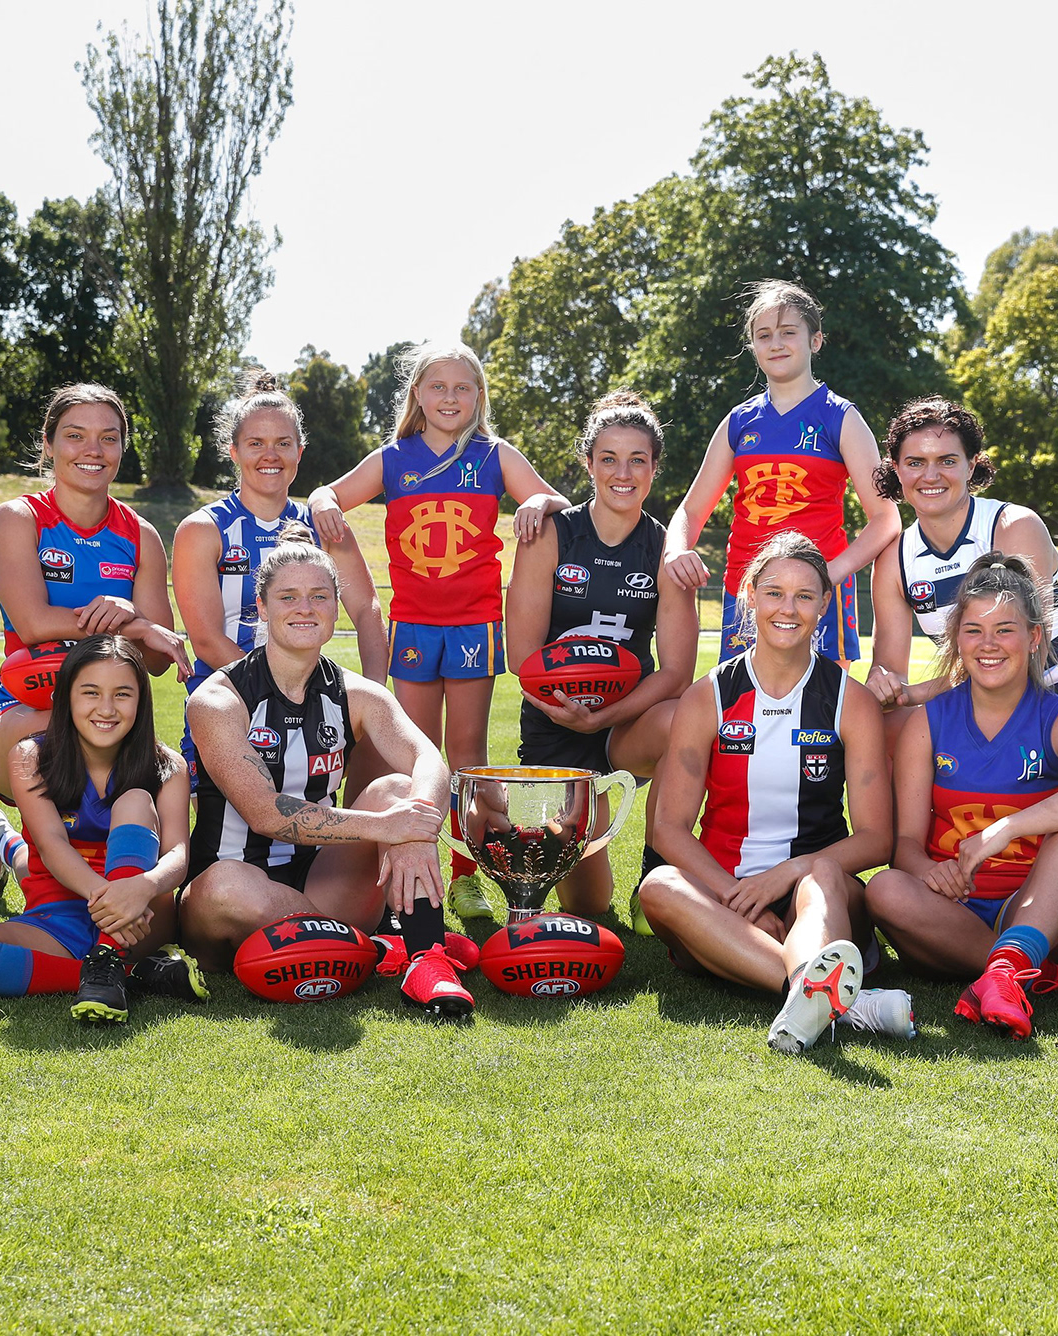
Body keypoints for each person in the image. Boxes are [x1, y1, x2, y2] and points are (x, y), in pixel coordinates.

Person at [306, 341, 569, 920]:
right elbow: (329, 493)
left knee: (468, 755)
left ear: (479, 395)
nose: (450, 398)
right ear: (418, 394)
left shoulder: (495, 454)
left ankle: (469, 877)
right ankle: (410, 874)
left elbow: (557, 501)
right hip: (414, 628)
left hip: (475, 624)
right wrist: (323, 499)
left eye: (462, 387)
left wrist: (539, 503)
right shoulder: (393, 458)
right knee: (417, 760)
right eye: (438, 387)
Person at [182, 525, 478, 1017]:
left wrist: (415, 818)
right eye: (288, 597)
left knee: (401, 790)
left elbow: (430, 760)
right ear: (262, 607)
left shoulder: (357, 694)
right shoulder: (218, 699)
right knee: (224, 885)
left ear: (336, 606)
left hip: (324, 881)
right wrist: (385, 826)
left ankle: (426, 961)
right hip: (233, 900)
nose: (305, 608)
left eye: (319, 596)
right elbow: (266, 814)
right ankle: (380, 947)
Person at [865, 396, 1058, 930]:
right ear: (896, 469)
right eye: (915, 462)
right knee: (884, 728)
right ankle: (903, 857)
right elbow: (890, 677)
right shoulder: (894, 557)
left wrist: (916, 693)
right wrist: (883, 692)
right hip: (985, 714)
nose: (931, 475)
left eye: (947, 460)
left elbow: (1010, 652)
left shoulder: (1013, 525)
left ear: (972, 465)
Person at [637, 531, 899, 1056]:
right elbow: (667, 827)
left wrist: (786, 874)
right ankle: (837, 999)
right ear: (750, 595)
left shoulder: (851, 701)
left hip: (816, 892)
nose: (788, 609)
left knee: (823, 875)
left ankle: (808, 985)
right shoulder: (707, 696)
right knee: (659, 885)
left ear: (824, 605)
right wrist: (735, 898)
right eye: (774, 593)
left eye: (805, 596)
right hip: (724, 896)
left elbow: (876, 839)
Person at [866, 553, 1058, 1040]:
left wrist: (1005, 829)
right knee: (884, 889)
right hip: (951, 913)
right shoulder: (927, 724)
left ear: (1034, 637)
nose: (988, 644)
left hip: (1038, 908)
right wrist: (930, 872)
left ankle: (1028, 955)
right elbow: (905, 844)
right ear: (956, 638)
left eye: (1005, 630)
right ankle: (1042, 975)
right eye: (973, 630)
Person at [504, 391, 699, 925]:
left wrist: (604, 715)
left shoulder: (665, 550)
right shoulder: (549, 533)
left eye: (638, 460)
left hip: (626, 721)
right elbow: (522, 656)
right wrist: (571, 710)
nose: (623, 473)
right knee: (587, 904)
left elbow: (677, 671)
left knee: (684, 719)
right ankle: (578, 845)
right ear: (588, 464)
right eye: (609, 459)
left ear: (654, 469)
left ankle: (655, 882)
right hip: (555, 717)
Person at [0, 384, 189, 878]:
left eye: (108, 438)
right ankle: (7, 841)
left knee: (156, 775)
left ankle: (14, 847)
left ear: (122, 448)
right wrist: (133, 622)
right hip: (25, 711)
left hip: (107, 715)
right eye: (75, 435)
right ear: (48, 443)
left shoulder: (141, 535)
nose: (93, 450)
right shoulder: (19, 518)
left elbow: (158, 659)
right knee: (72, 749)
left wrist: (140, 625)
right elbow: (33, 623)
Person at [0, 636, 204, 1025]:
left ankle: (110, 956)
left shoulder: (167, 765)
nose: (106, 708)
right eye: (90, 692)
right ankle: (133, 975)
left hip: (141, 918)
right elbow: (51, 846)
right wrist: (107, 899)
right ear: (65, 698)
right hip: (60, 919)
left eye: (122, 694)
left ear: (142, 701)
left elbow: (178, 855)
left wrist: (142, 888)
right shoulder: (31, 756)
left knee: (135, 800)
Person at [660, 280, 899, 666]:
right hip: (748, 592)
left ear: (815, 340)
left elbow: (886, 519)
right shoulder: (739, 422)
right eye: (764, 335)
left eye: (788, 332)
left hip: (817, 592)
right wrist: (676, 549)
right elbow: (690, 510)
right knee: (742, 703)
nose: (775, 344)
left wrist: (831, 573)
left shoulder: (841, 418)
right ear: (753, 346)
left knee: (822, 702)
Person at [173, 369, 389, 783]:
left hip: (309, 705)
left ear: (299, 452)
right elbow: (207, 640)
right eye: (256, 443)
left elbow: (367, 609)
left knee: (339, 808)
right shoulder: (203, 529)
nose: (269, 455)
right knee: (230, 824)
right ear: (234, 451)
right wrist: (280, 694)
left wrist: (372, 696)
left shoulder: (324, 526)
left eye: (283, 443)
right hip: (229, 704)